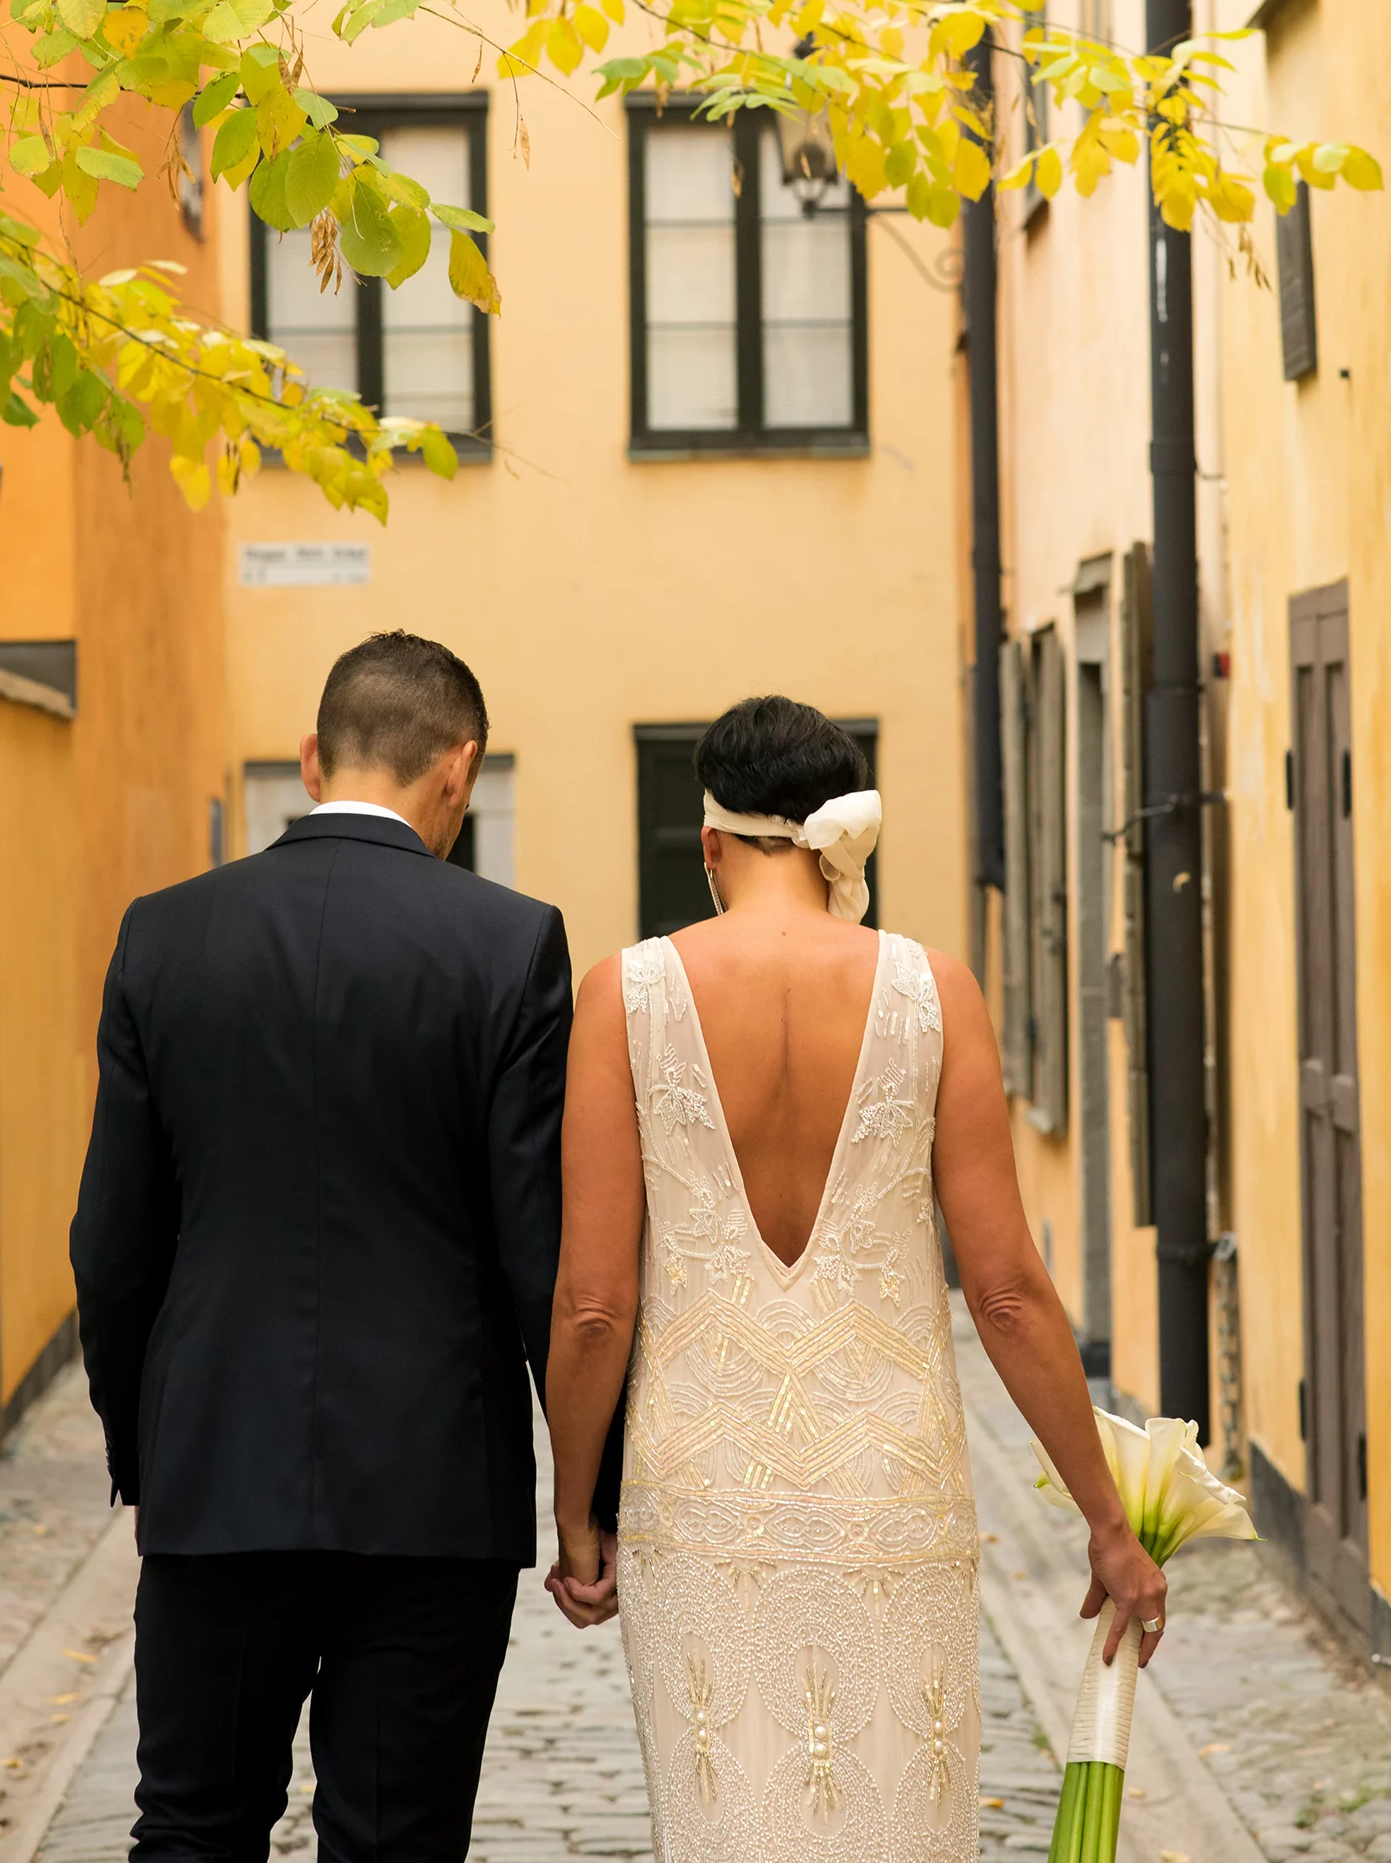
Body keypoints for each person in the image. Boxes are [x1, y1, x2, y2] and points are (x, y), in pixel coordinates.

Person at [543, 693, 1167, 1862]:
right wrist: (1106, 1521)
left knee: (724, 1826)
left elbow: (591, 1304)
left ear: (711, 843)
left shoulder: (623, 993)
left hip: (701, 1491)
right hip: (892, 1488)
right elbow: (1005, 1292)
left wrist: (578, 1518)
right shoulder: (936, 990)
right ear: (838, 839)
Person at [71, 631, 589, 1863]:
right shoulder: (510, 944)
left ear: (313, 758)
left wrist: (149, 1450)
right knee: (394, 1841)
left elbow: (110, 1242)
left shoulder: (163, 935)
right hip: (432, 1490)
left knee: (191, 1828)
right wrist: (589, 1494)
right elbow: (544, 1256)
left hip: (214, 1475)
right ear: (459, 768)